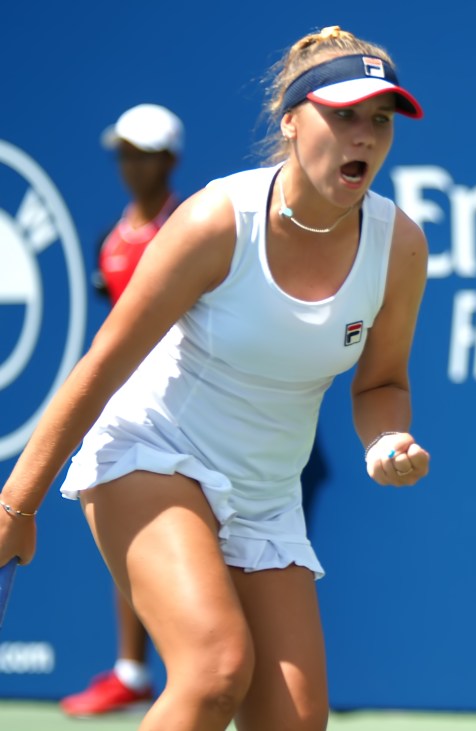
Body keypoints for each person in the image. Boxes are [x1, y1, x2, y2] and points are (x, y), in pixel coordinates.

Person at [0, 25, 430, 731]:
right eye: (343, 115)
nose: (365, 136)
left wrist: (386, 440)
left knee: (296, 722)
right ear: (291, 121)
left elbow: (382, 383)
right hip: (153, 451)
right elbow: (104, 361)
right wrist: (16, 507)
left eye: (380, 120)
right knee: (214, 670)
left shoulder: (399, 245)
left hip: (265, 493)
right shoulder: (216, 221)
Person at [59, 102, 183, 718]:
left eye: (142, 155)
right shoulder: (111, 236)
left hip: (190, 407)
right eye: (124, 155)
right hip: (130, 411)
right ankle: (132, 671)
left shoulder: (188, 227)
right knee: (131, 538)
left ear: (168, 161)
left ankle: (199, 673)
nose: (130, 166)